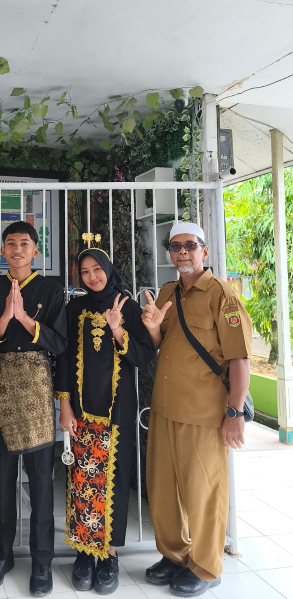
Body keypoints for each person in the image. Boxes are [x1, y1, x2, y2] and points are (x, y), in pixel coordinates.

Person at [142, 223, 252, 598]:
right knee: (163, 490)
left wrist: (235, 413)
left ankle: (205, 566)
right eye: (176, 246)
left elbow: (240, 358)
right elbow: (161, 343)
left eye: (190, 245)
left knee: (203, 492)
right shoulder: (167, 292)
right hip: (165, 407)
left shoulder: (221, 294)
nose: (183, 252)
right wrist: (153, 328)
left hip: (205, 413)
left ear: (204, 251)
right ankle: (175, 556)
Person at [55, 246, 156, 594]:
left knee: (112, 483)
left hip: (118, 414)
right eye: (85, 272)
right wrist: (64, 406)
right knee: (82, 482)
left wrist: (118, 331)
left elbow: (144, 356)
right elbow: (63, 359)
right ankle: (84, 553)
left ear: (108, 269)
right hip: (81, 415)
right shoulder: (74, 309)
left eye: (97, 269)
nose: (92, 277)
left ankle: (109, 555)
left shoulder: (127, 307)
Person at [0, 221, 68, 598]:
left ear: (35, 251)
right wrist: (3, 320)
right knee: (2, 484)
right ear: (2, 251)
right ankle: (2, 556)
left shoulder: (50, 289)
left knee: (42, 484)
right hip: (2, 391)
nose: (17, 249)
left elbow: (59, 344)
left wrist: (26, 320)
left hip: (37, 393)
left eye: (24, 243)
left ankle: (42, 561)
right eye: (10, 243)